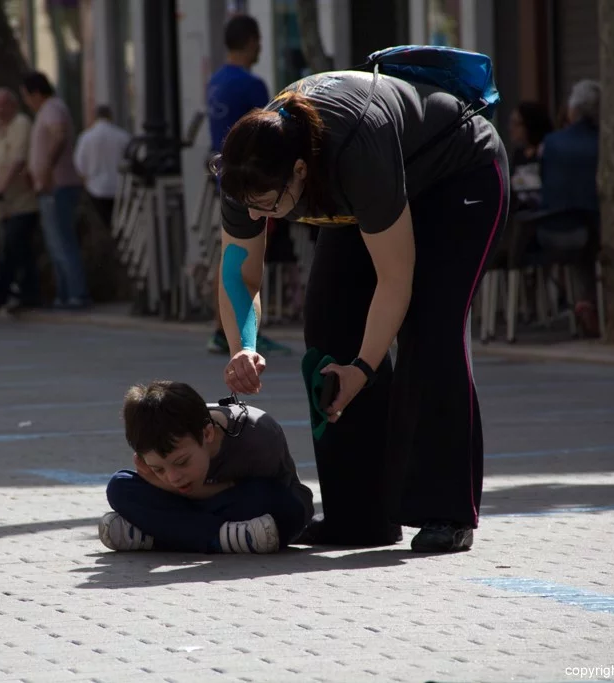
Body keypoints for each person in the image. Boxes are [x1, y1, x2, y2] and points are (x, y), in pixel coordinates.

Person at [211, 68, 509, 553]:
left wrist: (365, 367)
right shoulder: (245, 173)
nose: (261, 218)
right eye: (252, 209)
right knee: (328, 330)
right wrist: (242, 347)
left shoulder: (356, 148)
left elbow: (396, 280)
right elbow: (240, 274)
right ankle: (360, 517)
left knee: (430, 332)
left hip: (456, 176)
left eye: (269, 205)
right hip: (365, 193)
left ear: (300, 173)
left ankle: (445, 511)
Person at [99, 380, 314, 554]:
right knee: (120, 486)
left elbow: (271, 496)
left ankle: (156, 535)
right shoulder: (160, 442)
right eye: (159, 470)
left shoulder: (257, 436)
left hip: (242, 504)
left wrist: (172, 490)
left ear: (207, 433)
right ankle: (222, 538)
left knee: (285, 506)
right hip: (220, 517)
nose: (173, 477)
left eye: (181, 462)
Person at [204, 14, 291, 357]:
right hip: (255, 181)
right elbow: (269, 135)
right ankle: (243, 332)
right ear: (252, 41)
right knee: (251, 261)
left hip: (225, 178)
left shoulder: (216, 81)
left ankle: (221, 329)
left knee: (230, 256)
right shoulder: (251, 85)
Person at [537, 79, 602, 337]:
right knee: (592, 234)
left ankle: (579, 302)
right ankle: (590, 302)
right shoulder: (602, 142)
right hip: (589, 231)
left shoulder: (551, 143)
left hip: (548, 230)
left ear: (572, 110)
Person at [22, 71, 91, 309]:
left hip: (58, 185)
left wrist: (47, 169)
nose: (27, 103)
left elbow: (60, 135)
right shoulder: (48, 110)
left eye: (27, 97)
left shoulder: (52, 109)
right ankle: (64, 293)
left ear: (36, 93)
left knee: (62, 241)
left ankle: (76, 293)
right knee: (55, 242)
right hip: (50, 186)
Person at [0, 88, 42, 313]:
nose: (0, 110)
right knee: (17, 249)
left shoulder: (21, 124)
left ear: (13, 105)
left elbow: (18, 160)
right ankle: (27, 293)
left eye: (4, 105)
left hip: (20, 200)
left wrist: (1, 187)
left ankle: (2, 293)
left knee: (13, 245)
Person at [73, 104, 131, 231]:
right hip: (119, 188)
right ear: (110, 116)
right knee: (121, 226)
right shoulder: (122, 136)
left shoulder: (86, 137)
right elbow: (131, 161)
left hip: (96, 189)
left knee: (102, 227)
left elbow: (79, 166)